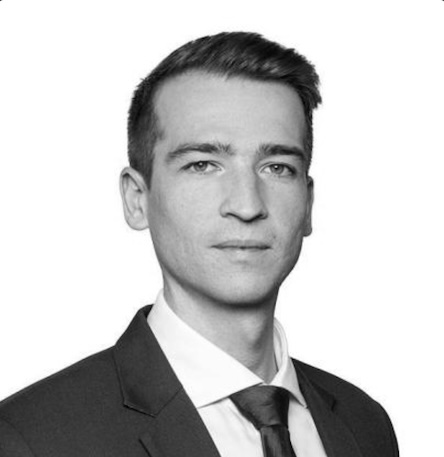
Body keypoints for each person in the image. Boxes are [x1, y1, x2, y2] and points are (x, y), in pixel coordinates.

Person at [0, 32, 399, 457]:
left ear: (308, 204)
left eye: (277, 167)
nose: (247, 205)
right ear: (137, 199)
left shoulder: (364, 423)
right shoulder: (30, 439)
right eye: (203, 165)